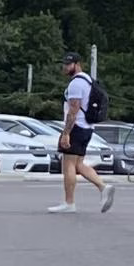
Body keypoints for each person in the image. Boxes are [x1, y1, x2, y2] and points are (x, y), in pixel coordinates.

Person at [50, 51, 114, 214]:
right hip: (87, 127)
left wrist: (66, 133)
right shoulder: (88, 80)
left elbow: (74, 109)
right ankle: (103, 187)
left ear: (77, 64)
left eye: (68, 64)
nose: (65, 67)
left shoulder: (76, 84)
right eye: (64, 64)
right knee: (78, 164)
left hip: (76, 127)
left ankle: (69, 203)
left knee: (68, 165)